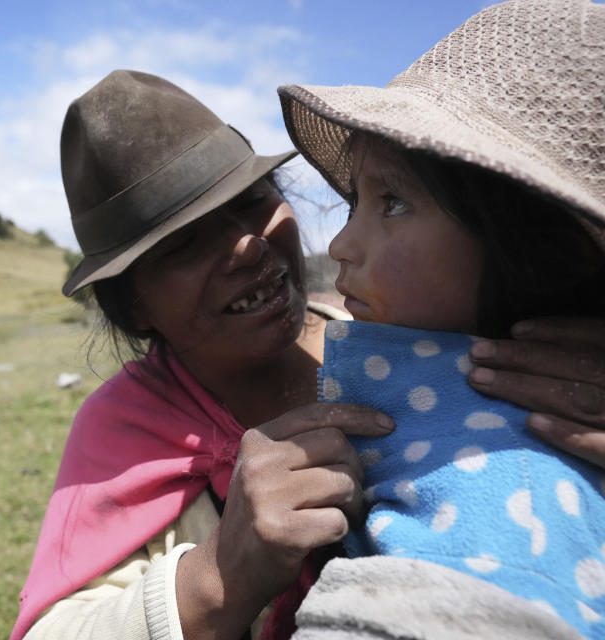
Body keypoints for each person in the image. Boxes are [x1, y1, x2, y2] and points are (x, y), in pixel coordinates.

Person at [13, 67, 605, 640]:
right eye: (185, 245)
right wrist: (220, 573)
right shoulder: (124, 430)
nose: (247, 245)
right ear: (134, 307)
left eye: (251, 201)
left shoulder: (401, 335)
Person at [277, 0, 605, 637]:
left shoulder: (504, 495)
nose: (342, 245)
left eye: (393, 201)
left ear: (527, 247)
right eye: (356, 202)